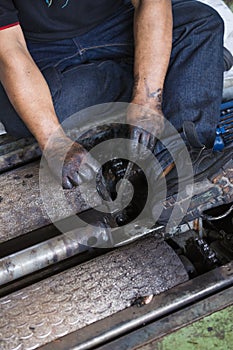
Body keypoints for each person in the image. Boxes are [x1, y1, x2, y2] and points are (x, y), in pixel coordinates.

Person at [0, 0, 231, 192]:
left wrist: (148, 100)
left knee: (200, 23)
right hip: (39, 51)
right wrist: (54, 142)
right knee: (20, 115)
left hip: (116, 23)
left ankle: (169, 169)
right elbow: (10, 49)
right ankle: (187, 67)